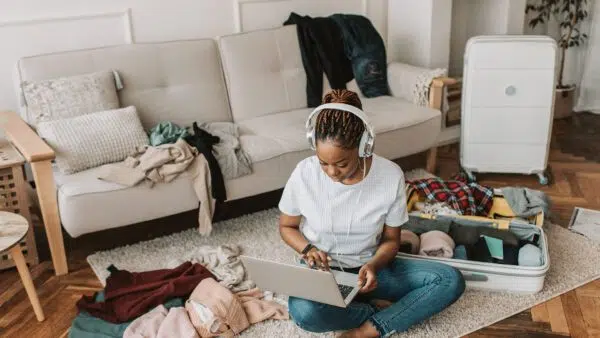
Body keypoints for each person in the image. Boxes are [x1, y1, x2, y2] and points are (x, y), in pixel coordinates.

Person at [277, 89, 465, 338]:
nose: (331, 172)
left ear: (363, 145)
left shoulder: (389, 176)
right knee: (304, 312)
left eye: (341, 163)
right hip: (325, 274)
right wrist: (308, 250)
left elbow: (391, 240)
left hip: (375, 269)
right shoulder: (304, 173)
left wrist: (374, 265)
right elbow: (287, 226)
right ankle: (374, 312)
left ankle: (368, 330)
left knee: (449, 280)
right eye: (324, 162)